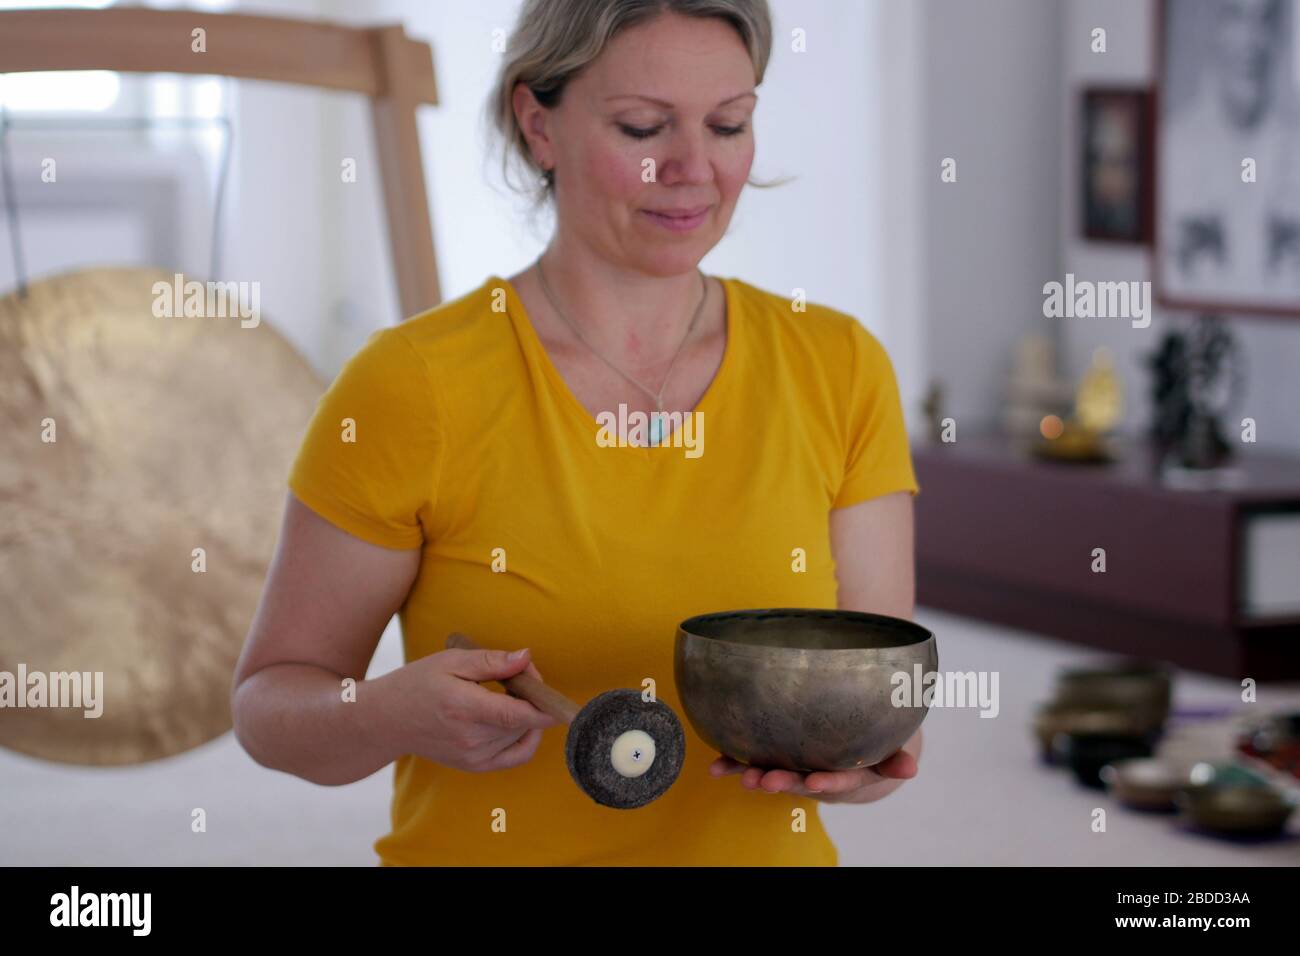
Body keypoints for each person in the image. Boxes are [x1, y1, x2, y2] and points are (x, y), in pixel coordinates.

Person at [231, 0, 922, 866]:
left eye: (728, 124)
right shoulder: (413, 384)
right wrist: (388, 712)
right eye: (643, 127)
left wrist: (864, 761)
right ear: (538, 124)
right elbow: (269, 707)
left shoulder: (841, 365)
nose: (693, 169)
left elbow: (884, 706)